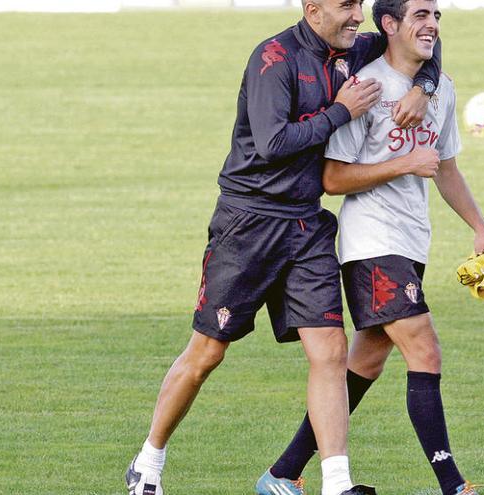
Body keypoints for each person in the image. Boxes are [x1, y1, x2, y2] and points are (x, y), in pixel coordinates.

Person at [123, 0, 445, 493]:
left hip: (307, 224)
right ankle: (148, 462)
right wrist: (343, 111)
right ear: (313, 9)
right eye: (345, 6)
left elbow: (421, 42)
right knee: (207, 352)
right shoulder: (273, 58)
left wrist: (423, 89)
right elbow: (272, 144)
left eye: (359, 5)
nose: (357, 16)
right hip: (248, 223)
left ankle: (336, 482)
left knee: (331, 351)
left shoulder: (355, 48)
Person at [257, 0, 484, 494]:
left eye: (436, 16)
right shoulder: (365, 89)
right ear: (389, 24)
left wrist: (482, 229)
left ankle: (282, 474)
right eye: (420, 16)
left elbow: (445, 167)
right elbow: (332, 177)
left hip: (411, 240)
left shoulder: (442, 88)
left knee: (366, 361)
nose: (432, 24)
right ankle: (453, 485)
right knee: (425, 348)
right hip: (371, 242)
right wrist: (403, 164)